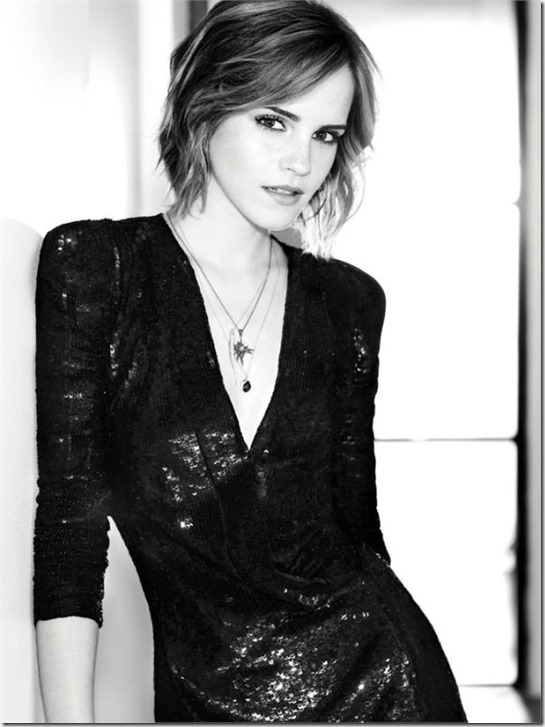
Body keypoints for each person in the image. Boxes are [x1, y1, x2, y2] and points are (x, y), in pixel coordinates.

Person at [33, 0, 467, 722]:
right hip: (205, 699)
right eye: (273, 121)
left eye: (325, 135)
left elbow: (358, 531)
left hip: (384, 684)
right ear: (204, 107)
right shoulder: (97, 267)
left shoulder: (348, 301)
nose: (302, 162)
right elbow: (69, 529)